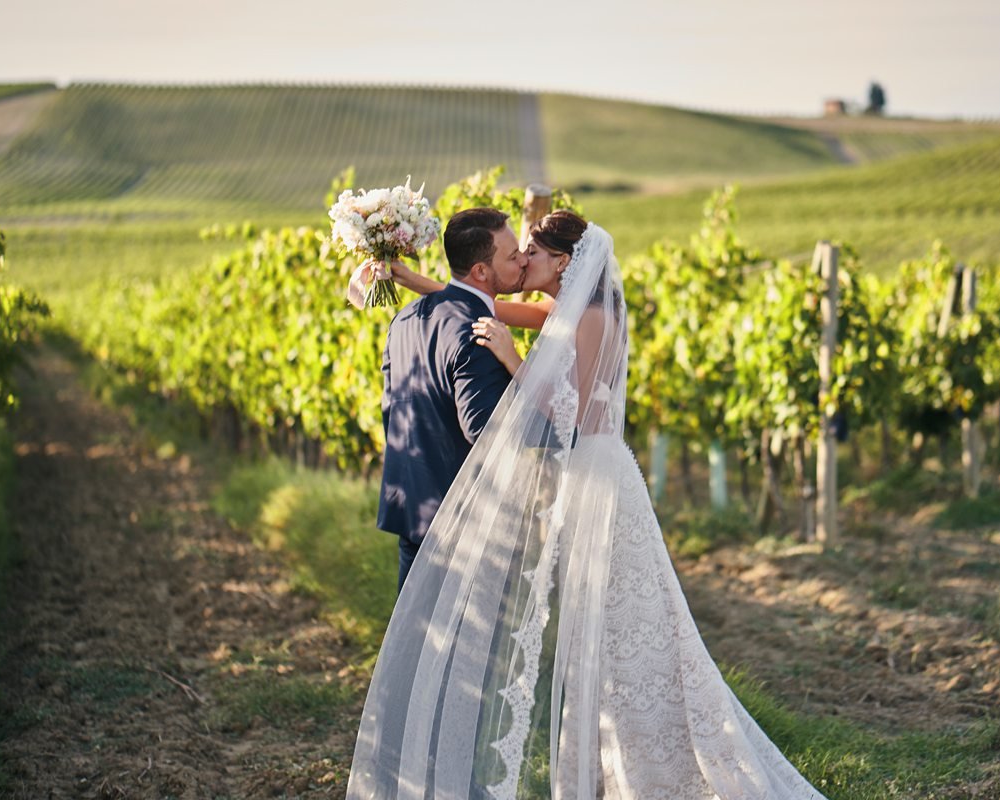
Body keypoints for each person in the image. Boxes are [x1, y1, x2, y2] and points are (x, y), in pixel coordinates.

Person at [350, 211, 829, 799]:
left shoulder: (594, 318)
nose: (523, 261)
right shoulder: (562, 311)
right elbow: (473, 304)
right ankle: (603, 766)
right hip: (577, 480)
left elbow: (570, 418)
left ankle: (653, 760)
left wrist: (510, 359)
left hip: (598, 479)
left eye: (532, 252)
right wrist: (404, 277)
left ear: (564, 263)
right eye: (516, 252)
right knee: (591, 635)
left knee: (624, 626)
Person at [377, 207, 541, 592]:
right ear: (481, 272)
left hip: (411, 505)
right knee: (465, 652)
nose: (522, 260)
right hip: (463, 520)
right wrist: (557, 427)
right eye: (512, 254)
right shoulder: (480, 331)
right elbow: (484, 428)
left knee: (414, 646)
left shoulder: (404, 320)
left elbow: (393, 411)